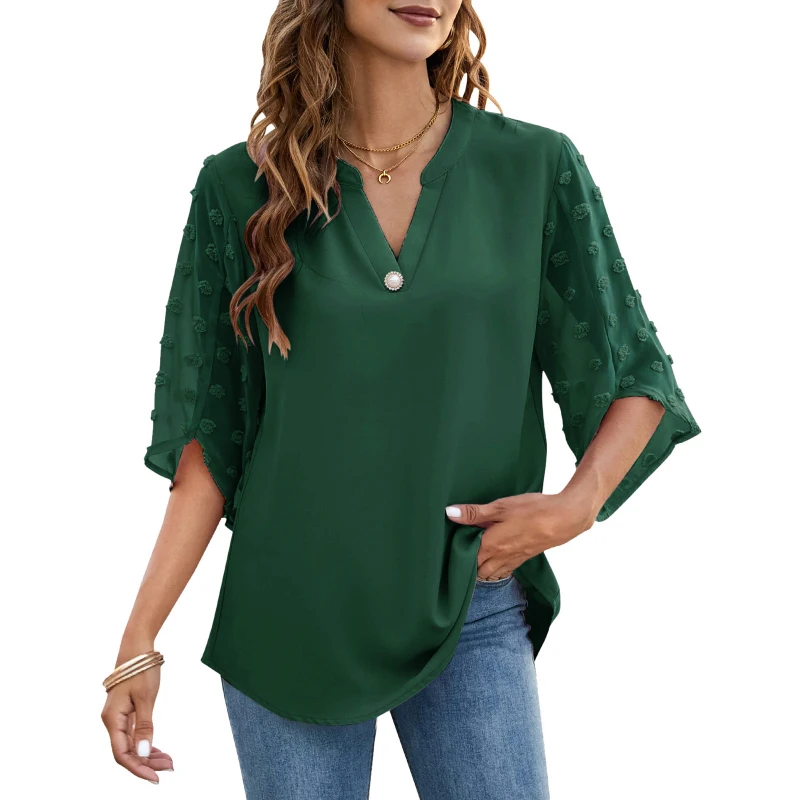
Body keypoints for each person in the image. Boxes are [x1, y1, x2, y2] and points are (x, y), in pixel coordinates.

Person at [100, 1, 701, 797]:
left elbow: (634, 370)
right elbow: (211, 443)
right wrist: (139, 640)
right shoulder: (240, 187)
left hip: (472, 599)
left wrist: (576, 506)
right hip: (290, 617)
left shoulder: (533, 167)